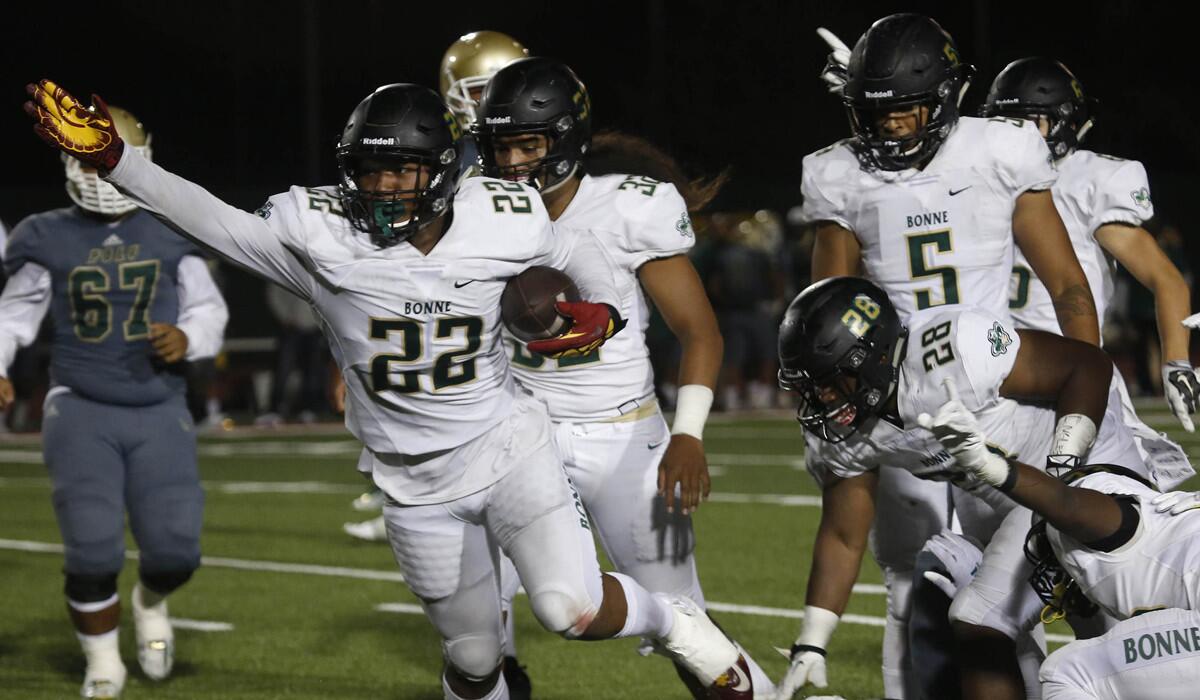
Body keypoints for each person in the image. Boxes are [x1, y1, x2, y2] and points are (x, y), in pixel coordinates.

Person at [25, 79, 759, 699]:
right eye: (370, 171)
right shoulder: (321, 237)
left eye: (402, 170)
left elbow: (574, 256)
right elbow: (209, 219)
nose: (382, 188)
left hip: (510, 450)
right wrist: (119, 161)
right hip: (413, 483)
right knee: (473, 660)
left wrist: (590, 317)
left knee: (567, 608)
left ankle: (671, 622)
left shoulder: (500, 217)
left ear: (441, 169)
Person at [784, 14, 1101, 700]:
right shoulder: (841, 171)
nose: (890, 129)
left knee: (1029, 571)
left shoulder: (998, 149)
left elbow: (1069, 287)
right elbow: (827, 299)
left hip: (990, 385)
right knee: (907, 572)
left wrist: (1084, 403)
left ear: (946, 99)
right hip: (890, 390)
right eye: (876, 113)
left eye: (905, 111)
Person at [475, 57, 773, 697]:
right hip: (521, 438)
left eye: (530, 144)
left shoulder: (626, 207)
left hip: (621, 434)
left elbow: (700, 331)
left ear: (568, 138)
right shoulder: (475, 211)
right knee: (477, 610)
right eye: (503, 147)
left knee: (683, 621)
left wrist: (688, 435)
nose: (516, 163)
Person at [772, 277, 1146, 700]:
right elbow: (842, 535)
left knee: (1119, 633)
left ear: (870, 358)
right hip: (997, 499)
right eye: (808, 388)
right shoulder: (847, 433)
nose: (820, 400)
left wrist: (1061, 485)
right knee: (991, 624)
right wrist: (812, 642)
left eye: (828, 381)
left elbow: (1087, 365)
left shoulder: (952, 349)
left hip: (1082, 467)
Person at [0, 104, 228, 698]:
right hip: (80, 405)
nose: (101, 175)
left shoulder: (172, 224)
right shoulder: (44, 233)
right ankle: (102, 661)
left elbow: (208, 309)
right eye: (90, 160)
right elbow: (13, 314)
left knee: (176, 550)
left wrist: (190, 338)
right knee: (92, 548)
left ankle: (150, 604)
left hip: (158, 405)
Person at [342, 29, 535, 546]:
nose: (492, 104)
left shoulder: (522, 149)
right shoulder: (448, 152)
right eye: (480, 90)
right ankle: (408, 496)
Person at [982, 56, 1197, 490]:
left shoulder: (1087, 179)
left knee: (1101, 518)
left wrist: (1176, 361)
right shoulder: (973, 177)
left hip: (1068, 370)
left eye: (1028, 123)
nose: (1014, 137)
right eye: (1004, 124)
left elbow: (1165, 277)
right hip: (994, 374)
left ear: (1061, 124)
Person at [918, 382, 1200, 698]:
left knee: (1069, 671)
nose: (1049, 569)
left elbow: (1066, 504)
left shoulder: (1113, 520)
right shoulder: (1167, 527)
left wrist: (989, 464)